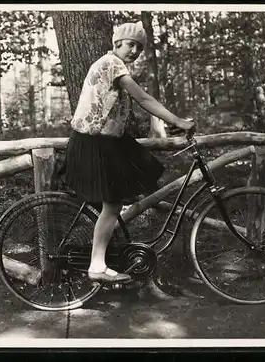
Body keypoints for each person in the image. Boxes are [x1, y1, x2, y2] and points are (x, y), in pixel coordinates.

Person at [63, 21, 195, 283]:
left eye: (139, 47)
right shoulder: (112, 64)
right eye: (130, 44)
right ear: (117, 44)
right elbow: (144, 99)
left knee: (122, 194)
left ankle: (113, 253)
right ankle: (96, 266)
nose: (134, 50)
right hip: (94, 143)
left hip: (108, 141)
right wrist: (178, 122)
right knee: (112, 204)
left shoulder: (114, 66)